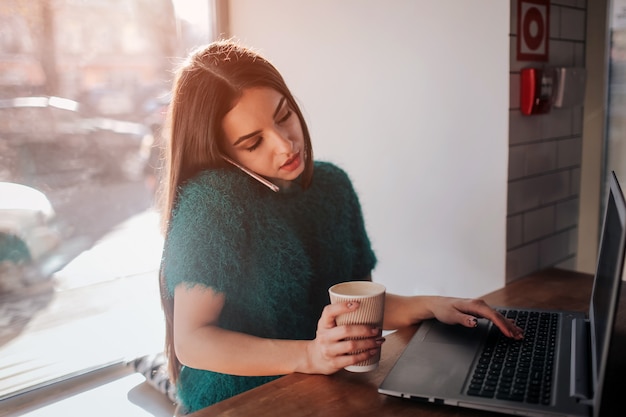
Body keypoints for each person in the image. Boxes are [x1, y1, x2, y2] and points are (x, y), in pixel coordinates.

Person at [158, 39, 524, 414]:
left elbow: (354, 307)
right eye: (254, 142)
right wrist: (309, 355)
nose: (285, 145)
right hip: (237, 403)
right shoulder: (211, 203)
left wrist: (433, 305)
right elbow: (193, 341)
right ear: (221, 153)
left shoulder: (332, 185)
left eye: (284, 116)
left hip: (322, 391)